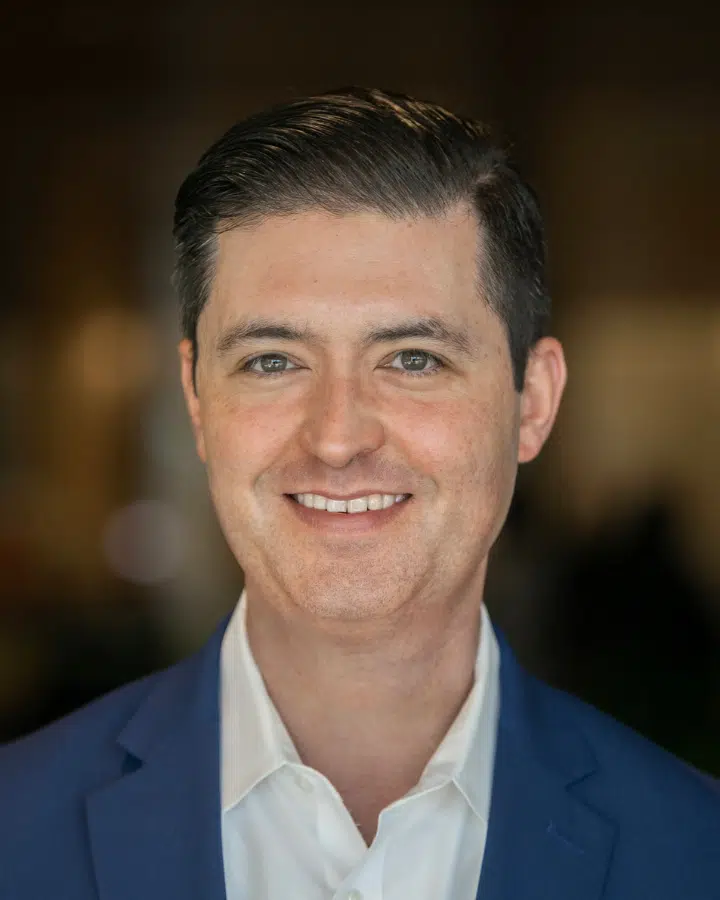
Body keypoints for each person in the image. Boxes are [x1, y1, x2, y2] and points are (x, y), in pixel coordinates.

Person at [1, 87, 718, 900]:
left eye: (413, 358)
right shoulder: (12, 831)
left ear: (534, 402)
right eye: (273, 361)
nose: (337, 438)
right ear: (197, 403)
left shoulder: (698, 853)